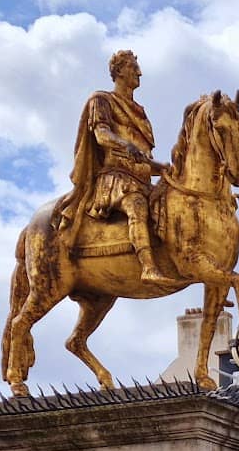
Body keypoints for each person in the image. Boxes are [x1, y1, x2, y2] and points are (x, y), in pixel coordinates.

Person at [65, 49, 167, 283]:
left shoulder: (141, 113)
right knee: (137, 206)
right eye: (133, 67)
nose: (139, 73)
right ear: (119, 71)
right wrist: (124, 144)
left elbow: (143, 159)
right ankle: (148, 267)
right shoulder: (102, 100)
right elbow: (101, 135)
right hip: (116, 179)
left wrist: (161, 168)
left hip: (142, 181)